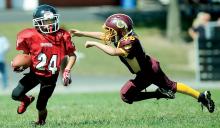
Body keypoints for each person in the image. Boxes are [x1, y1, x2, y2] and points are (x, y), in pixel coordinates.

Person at [70, 13, 215, 113]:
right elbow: (104, 36)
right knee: (126, 96)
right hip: (142, 72)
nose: (108, 33)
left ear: (120, 30)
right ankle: (160, 93)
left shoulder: (129, 41)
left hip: (150, 70)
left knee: (172, 86)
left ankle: (201, 97)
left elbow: (114, 52)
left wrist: (94, 44)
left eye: (110, 30)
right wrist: (82, 33)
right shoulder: (122, 35)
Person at [11, 4, 77, 125]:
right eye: (46, 21)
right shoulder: (29, 35)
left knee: (41, 105)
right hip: (35, 74)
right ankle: (26, 100)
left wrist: (67, 71)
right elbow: (26, 55)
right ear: (37, 22)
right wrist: (21, 65)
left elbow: (72, 55)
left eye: (52, 20)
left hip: (50, 78)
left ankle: (41, 122)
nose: (50, 24)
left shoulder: (62, 36)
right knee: (15, 95)